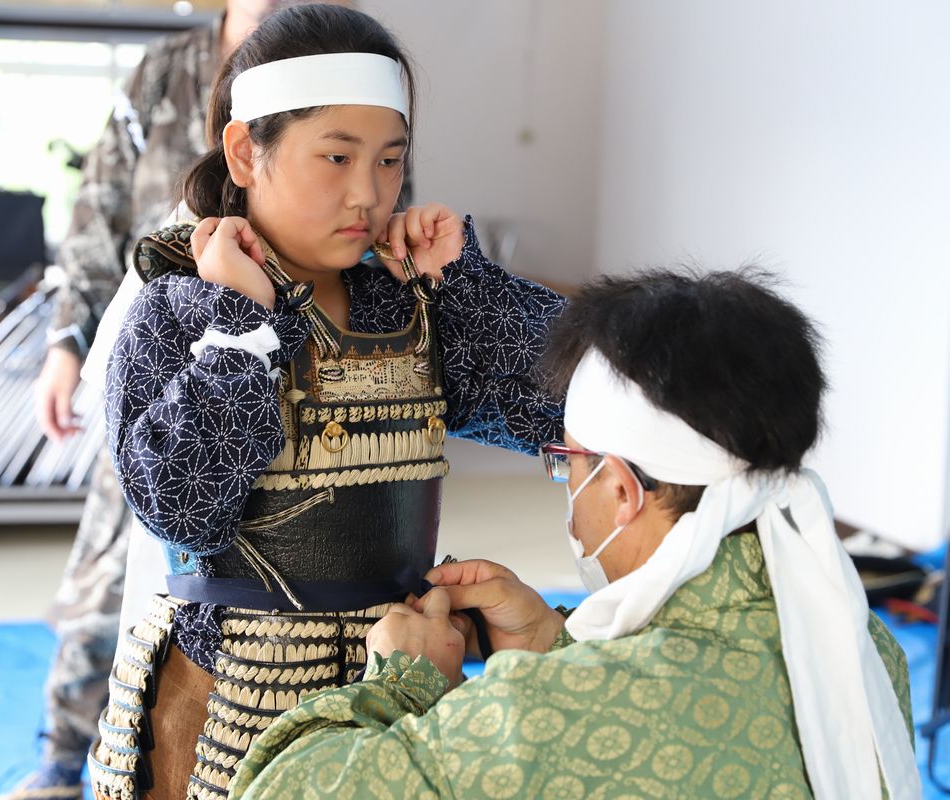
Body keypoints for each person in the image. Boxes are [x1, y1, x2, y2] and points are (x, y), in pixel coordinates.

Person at [86, 5, 566, 799]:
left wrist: (466, 286)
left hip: (403, 669)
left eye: (389, 161)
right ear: (246, 152)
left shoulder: (406, 300)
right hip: (234, 695)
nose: (368, 194)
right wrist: (240, 330)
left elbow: (563, 414)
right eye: (336, 157)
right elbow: (178, 507)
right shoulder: (178, 308)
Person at [228, 269, 922, 800]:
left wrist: (399, 687)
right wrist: (556, 646)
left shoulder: (543, 715)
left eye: (568, 464)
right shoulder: (857, 646)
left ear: (620, 489)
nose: (567, 484)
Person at [7, 4, 300, 798]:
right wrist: (65, 343)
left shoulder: (337, 52)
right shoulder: (166, 69)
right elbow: (97, 213)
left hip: (281, 368)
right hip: (151, 359)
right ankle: (64, 760)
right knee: (108, 577)